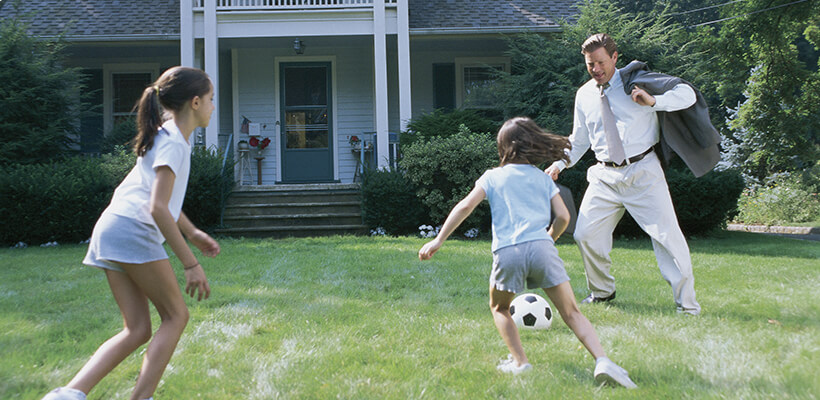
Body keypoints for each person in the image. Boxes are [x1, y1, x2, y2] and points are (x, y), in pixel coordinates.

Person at [42, 66, 220, 400]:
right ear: (195, 102)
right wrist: (190, 263)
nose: (213, 106)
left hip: (112, 227)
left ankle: (67, 395)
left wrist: (192, 232)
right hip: (133, 230)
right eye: (211, 99)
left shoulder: (167, 134)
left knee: (137, 328)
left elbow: (161, 199)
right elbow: (156, 207)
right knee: (176, 315)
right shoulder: (175, 145)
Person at [419, 117, 637, 388]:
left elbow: (464, 207)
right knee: (572, 313)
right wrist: (549, 239)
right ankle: (603, 360)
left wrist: (438, 240)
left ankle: (520, 362)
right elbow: (563, 217)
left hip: (507, 251)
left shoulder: (492, 176)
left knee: (499, 307)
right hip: (542, 248)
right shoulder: (542, 178)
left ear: (504, 147)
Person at [545, 33, 702, 315]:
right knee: (585, 235)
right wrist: (559, 164)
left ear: (615, 58)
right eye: (590, 64)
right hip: (604, 176)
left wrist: (653, 101)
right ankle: (602, 292)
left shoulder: (638, 82)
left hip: (643, 172)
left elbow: (687, 95)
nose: (596, 69)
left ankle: (687, 306)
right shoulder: (584, 95)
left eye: (601, 62)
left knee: (668, 238)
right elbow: (580, 139)